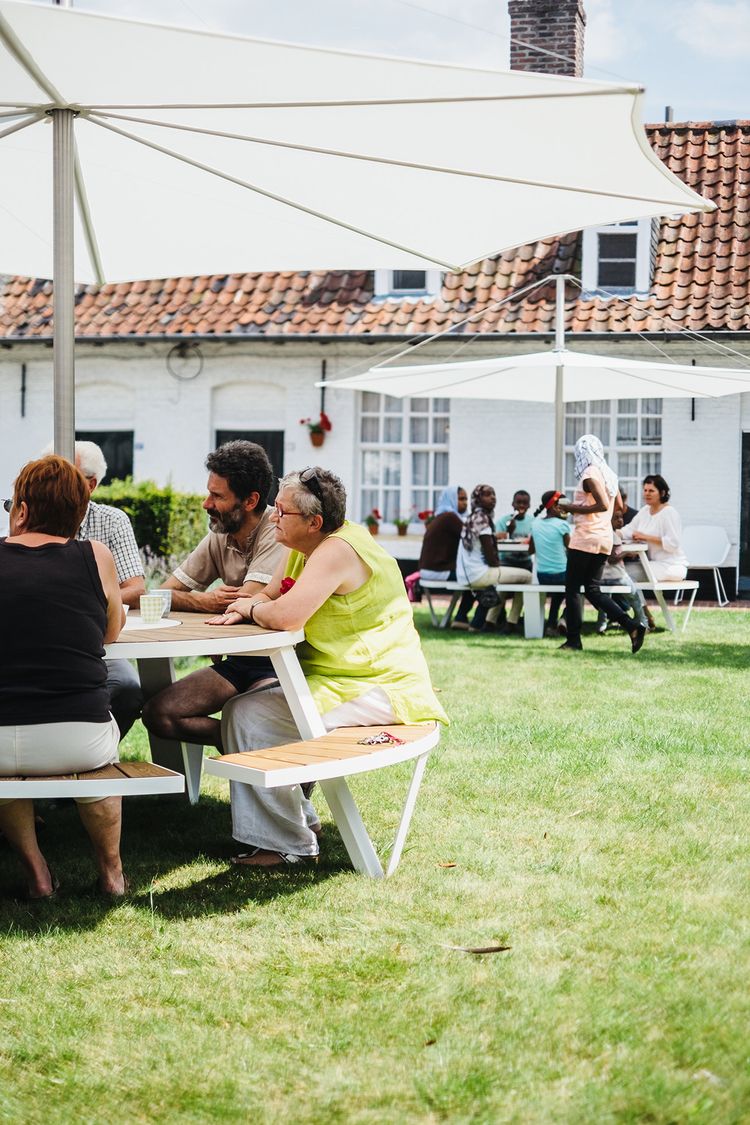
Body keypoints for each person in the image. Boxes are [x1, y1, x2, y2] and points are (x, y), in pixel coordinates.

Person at [206, 467, 447, 867]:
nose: (273, 517)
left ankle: (287, 845)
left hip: (381, 687)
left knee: (249, 715)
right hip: (340, 679)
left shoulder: (337, 550)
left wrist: (250, 607)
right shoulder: (304, 544)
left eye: (281, 512)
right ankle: (298, 824)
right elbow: (270, 593)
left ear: (314, 522)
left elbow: (284, 615)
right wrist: (251, 605)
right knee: (249, 709)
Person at [0, 455, 127, 899]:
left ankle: (37, 873)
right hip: (77, 739)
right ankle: (112, 874)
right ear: (78, 513)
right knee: (100, 756)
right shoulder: (95, 555)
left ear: (22, 510)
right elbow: (109, 633)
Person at [142, 441, 286, 750]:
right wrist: (203, 601)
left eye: (217, 496)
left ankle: (262, 747)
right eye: (209, 493)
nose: (206, 504)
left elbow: (242, 606)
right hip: (238, 662)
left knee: (244, 715)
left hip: (279, 662)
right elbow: (158, 594)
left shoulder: (278, 533)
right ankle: (254, 745)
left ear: (250, 501)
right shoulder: (220, 535)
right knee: (158, 714)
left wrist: (212, 604)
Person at [74, 441, 146, 740]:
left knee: (128, 688)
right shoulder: (29, 521)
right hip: (47, 643)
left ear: (90, 485)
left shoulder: (111, 520)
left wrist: (81, 603)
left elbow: (137, 588)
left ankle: (96, 751)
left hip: (100, 642)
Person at [557, 435, 646, 654]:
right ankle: (631, 625)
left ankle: (573, 641)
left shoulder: (589, 474)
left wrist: (571, 508)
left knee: (573, 590)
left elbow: (602, 504)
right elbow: (619, 507)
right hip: (604, 538)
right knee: (593, 589)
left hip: (586, 537)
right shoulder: (609, 474)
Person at [456, 484, 532, 633]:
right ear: (478, 499)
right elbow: (491, 559)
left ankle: (490, 621)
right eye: (487, 494)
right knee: (528, 577)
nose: (492, 498)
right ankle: (512, 622)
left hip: (466, 573)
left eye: (494, 494)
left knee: (504, 577)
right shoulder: (482, 520)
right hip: (479, 574)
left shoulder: (472, 517)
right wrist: (497, 562)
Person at [621, 474, 688, 581]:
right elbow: (629, 529)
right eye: (645, 490)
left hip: (672, 566)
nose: (647, 494)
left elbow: (673, 544)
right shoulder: (645, 510)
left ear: (662, 493)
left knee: (625, 574)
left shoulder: (669, 513)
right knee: (621, 571)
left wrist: (645, 537)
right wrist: (613, 535)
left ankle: (633, 598)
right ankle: (634, 598)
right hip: (654, 564)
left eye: (651, 491)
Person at [597, 508, 650, 635]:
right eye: (616, 518)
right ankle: (643, 622)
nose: (620, 521)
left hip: (601, 578)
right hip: (617, 577)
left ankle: (601, 626)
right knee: (635, 596)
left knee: (604, 603)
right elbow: (612, 559)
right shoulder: (613, 536)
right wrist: (626, 553)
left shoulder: (601, 535)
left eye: (621, 518)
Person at [529, 490, 570, 636]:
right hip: (562, 575)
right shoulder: (562, 525)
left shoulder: (535, 524)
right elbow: (571, 549)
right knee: (578, 588)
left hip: (543, 576)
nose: (568, 509)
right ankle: (564, 618)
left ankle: (551, 625)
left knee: (558, 594)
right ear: (555, 507)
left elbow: (530, 550)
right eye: (564, 506)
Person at [418, 485, 468, 581]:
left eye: (466, 499)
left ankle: (467, 597)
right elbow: (471, 536)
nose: (465, 503)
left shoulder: (443, 516)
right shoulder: (450, 517)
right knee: (475, 576)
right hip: (437, 570)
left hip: (429, 569)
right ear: (451, 499)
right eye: (461, 499)